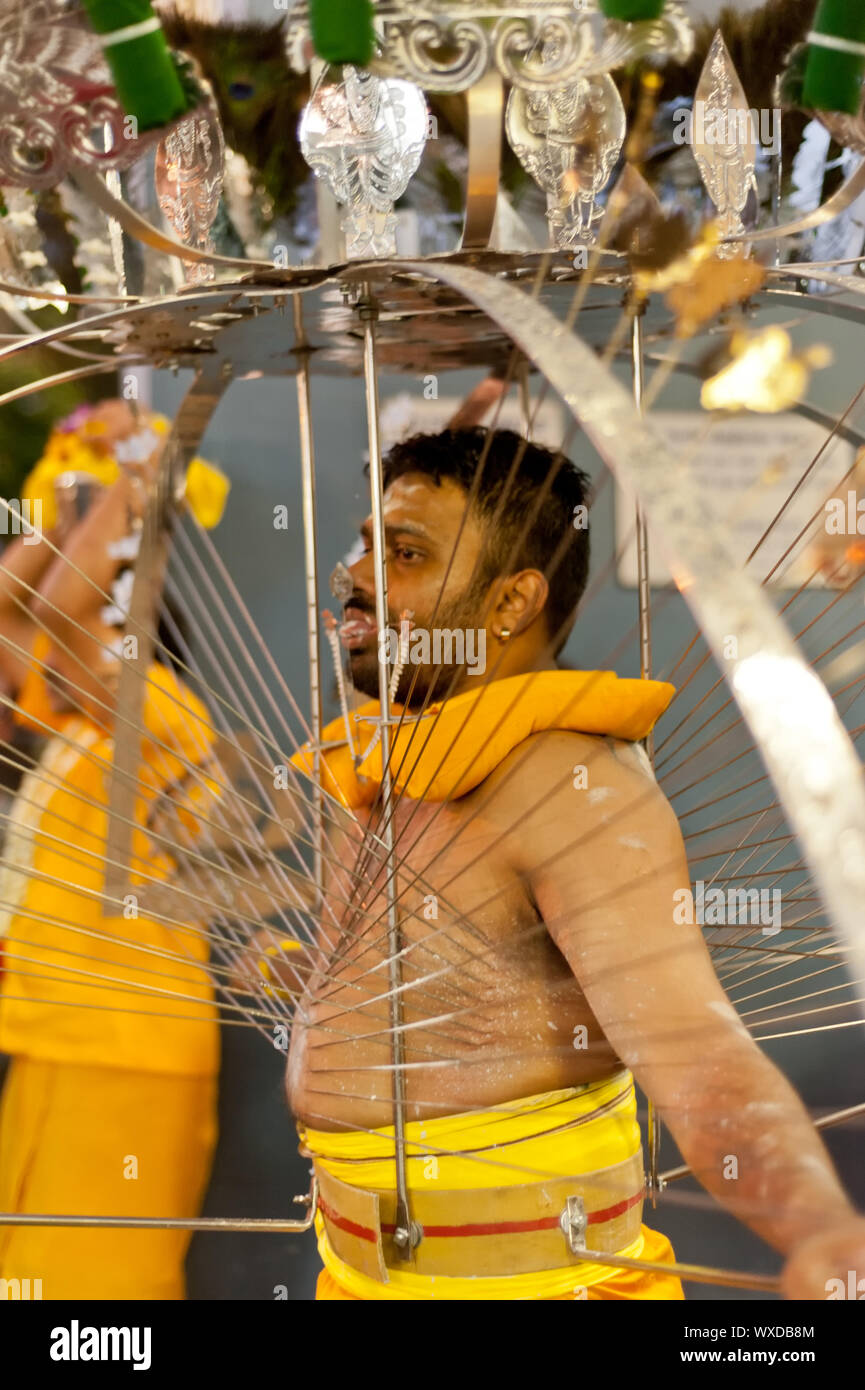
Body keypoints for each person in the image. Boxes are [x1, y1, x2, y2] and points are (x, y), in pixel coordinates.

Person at [282, 427, 865, 1301]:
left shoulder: (568, 784)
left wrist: (815, 1226)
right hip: (355, 1275)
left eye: (404, 554)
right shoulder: (383, 760)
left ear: (511, 602)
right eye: (365, 545)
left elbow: (699, 1053)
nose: (355, 575)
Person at [0, 418, 222, 1299]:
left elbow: (59, 607)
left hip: (125, 1054)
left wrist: (142, 472)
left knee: (93, 1305)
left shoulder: (163, 718)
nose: (50, 658)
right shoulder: (76, 732)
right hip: (61, 1042)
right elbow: (14, 608)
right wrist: (70, 484)